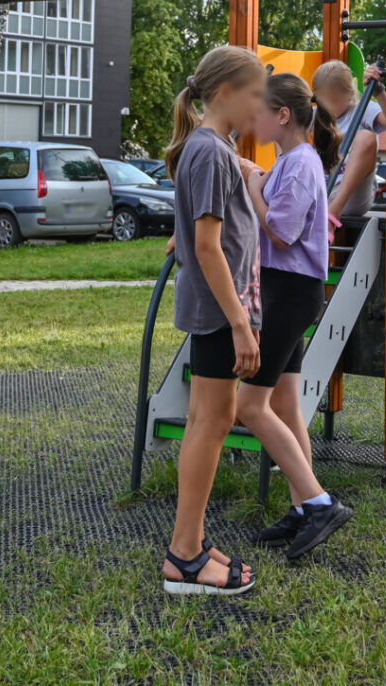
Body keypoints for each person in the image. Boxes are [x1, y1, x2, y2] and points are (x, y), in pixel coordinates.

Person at [160, 45, 266, 596]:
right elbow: (207, 247)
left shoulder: (212, 149)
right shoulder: (211, 153)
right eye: (254, 94)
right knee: (211, 424)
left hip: (217, 314)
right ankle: (184, 556)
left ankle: (193, 543)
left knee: (211, 422)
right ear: (225, 92)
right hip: (220, 316)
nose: (260, 106)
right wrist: (241, 324)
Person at [240, 73, 355, 557]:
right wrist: (260, 179)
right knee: (286, 405)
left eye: (260, 111)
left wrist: (251, 187)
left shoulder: (301, 162)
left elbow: (282, 232)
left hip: (288, 290)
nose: (254, 119)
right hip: (287, 287)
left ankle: (320, 501)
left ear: (282, 115)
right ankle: (304, 507)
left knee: (248, 407)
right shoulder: (290, 159)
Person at [313, 59, 385, 224]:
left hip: (352, 195)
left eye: (333, 101)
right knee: (288, 121)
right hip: (321, 191)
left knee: (366, 137)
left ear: (350, 94)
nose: (326, 107)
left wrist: (379, 92)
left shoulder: (362, 109)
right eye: (321, 101)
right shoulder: (316, 114)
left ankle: (333, 213)